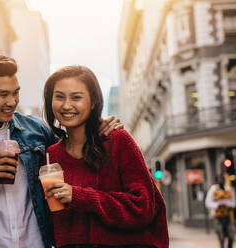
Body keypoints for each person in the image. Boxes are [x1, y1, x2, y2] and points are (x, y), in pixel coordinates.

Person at [0, 54, 122, 248]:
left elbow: (74, 154)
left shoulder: (36, 130)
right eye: (3, 94)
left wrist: (96, 126)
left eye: (16, 93)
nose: (12, 102)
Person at [42, 65, 169, 248]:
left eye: (76, 97)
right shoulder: (51, 155)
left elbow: (143, 207)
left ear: (93, 101)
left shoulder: (118, 140)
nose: (67, 105)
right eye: (59, 97)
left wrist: (79, 196)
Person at [205, 174, 236, 248]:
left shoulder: (228, 189)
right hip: (217, 217)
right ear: (216, 180)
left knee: (231, 234)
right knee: (221, 236)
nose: (221, 181)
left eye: (222, 179)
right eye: (219, 179)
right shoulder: (213, 189)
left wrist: (228, 205)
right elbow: (208, 202)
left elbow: (233, 202)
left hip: (227, 216)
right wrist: (217, 205)